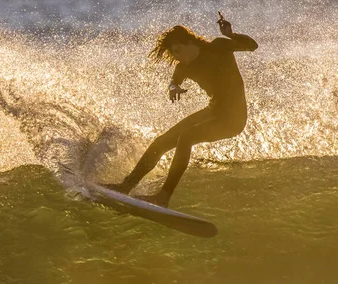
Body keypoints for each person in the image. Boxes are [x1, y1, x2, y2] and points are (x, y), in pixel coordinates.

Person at [102, 12, 258, 207]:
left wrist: (231, 35)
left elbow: (252, 46)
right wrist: (173, 88)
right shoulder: (184, 67)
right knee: (161, 143)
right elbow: (173, 82)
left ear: (189, 42)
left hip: (234, 118)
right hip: (214, 111)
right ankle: (125, 186)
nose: (177, 57)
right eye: (173, 53)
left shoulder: (219, 47)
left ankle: (163, 197)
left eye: (178, 50)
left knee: (186, 137)